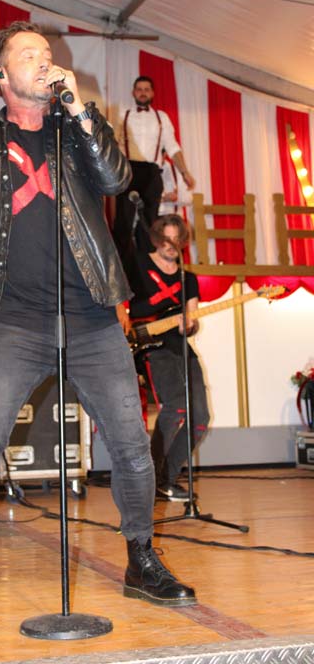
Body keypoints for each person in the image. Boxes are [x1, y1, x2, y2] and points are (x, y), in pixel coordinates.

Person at [0, 21, 196, 635]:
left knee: (131, 446)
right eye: (28, 54)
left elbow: (116, 179)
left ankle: (141, 559)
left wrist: (79, 108)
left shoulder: (78, 129)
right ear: (0, 76)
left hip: (91, 317)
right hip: (15, 321)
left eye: (48, 54)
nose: (44, 61)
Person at [127, 214, 209, 502]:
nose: (172, 245)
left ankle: (166, 479)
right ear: (157, 239)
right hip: (152, 345)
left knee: (200, 417)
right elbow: (125, 306)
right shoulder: (138, 264)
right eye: (167, 239)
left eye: (177, 239)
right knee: (175, 406)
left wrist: (190, 325)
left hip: (179, 346)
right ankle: (146, 479)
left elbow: (193, 319)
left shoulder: (188, 278)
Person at [113, 76, 195, 263]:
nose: (142, 93)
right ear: (133, 93)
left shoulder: (161, 117)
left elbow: (172, 147)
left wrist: (184, 173)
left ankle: (149, 266)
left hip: (151, 172)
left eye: (146, 89)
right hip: (129, 170)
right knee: (123, 223)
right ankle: (121, 269)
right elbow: (113, 144)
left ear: (152, 93)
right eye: (139, 89)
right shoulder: (123, 115)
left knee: (150, 223)